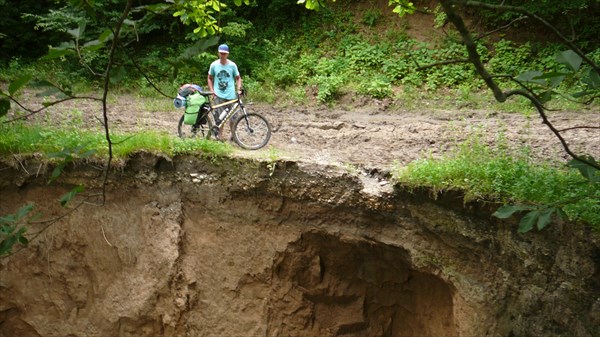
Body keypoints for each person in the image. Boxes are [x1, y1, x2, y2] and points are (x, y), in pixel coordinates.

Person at [207, 44, 243, 140]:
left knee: (234, 118)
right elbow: (210, 78)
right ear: (218, 53)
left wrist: (239, 89)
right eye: (221, 53)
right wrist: (212, 91)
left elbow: (238, 78)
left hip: (231, 95)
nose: (222, 55)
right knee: (220, 118)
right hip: (219, 95)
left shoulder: (232, 65)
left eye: (224, 54)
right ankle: (219, 137)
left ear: (227, 54)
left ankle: (234, 137)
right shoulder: (214, 65)